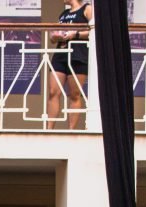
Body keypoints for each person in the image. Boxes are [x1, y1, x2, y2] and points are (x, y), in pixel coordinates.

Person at [46, 0, 92, 130]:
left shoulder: (87, 9)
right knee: (53, 92)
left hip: (78, 55)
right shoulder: (64, 14)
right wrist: (55, 36)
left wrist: (75, 34)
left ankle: (71, 130)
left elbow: (94, 30)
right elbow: (53, 35)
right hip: (60, 54)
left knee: (74, 94)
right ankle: (49, 129)